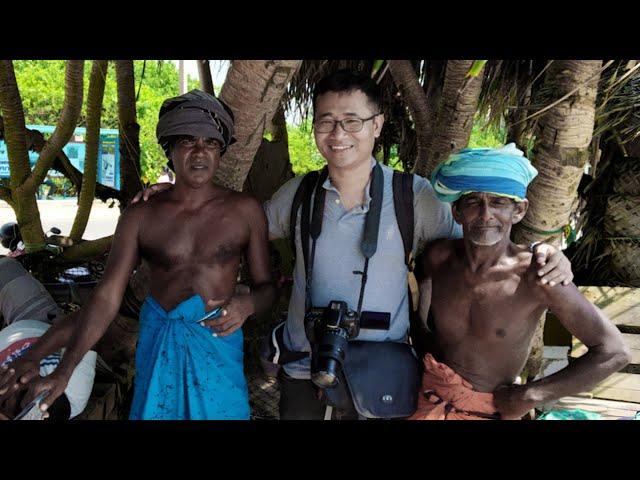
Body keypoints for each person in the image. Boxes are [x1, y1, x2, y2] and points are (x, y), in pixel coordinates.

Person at [133, 70, 574, 420]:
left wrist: (547, 253)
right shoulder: (298, 194)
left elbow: (483, 243)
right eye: (326, 120)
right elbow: (228, 232)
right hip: (303, 365)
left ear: (377, 125)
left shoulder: (413, 196)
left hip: (382, 367)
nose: (338, 132)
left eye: (353, 121)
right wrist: (173, 196)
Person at [0, 89, 277, 420]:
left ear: (221, 151)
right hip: (158, 341)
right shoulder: (141, 216)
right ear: (169, 150)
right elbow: (106, 297)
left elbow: (268, 289)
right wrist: (64, 369)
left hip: (217, 345)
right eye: (187, 141)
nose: (200, 152)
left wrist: (247, 305)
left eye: (211, 142)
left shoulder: (244, 211)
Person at [408, 145, 630, 420]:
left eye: (499, 202)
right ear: (457, 211)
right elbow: (415, 314)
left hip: (491, 409)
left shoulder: (537, 274)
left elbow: (614, 352)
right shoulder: (438, 258)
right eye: (473, 202)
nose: (486, 214)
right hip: (432, 397)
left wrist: (529, 396)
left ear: (519, 210)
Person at [0, 319, 95, 420]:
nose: (11, 387)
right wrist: (63, 372)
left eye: (4, 403)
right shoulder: (76, 386)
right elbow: (90, 325)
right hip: (39, 326)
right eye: (23, 391)